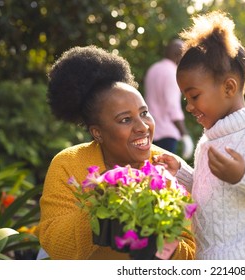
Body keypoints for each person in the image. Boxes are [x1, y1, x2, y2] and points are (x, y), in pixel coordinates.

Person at [156, 11, 245, 260]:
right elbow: (215, 193)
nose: (189, 107)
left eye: (194, 96)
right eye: (185, 98)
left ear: (229, 87)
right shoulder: (211, 137)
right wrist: (181, 172)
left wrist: (244, 177)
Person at [35, 46, 195, 260]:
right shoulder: (68, 163)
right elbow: (55, 242)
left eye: (144, 113)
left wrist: (162, 247)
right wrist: (101, 211)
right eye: (125, 120)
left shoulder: (166, 168)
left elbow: (191, 252)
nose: (143, 127)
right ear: (97, 133)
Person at [144, 39, 194, 159]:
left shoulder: (153, 69)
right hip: (166, 134)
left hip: (149, 130)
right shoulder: (172, 73)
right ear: (179, 55)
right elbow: (172, 107)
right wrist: (185, 135)